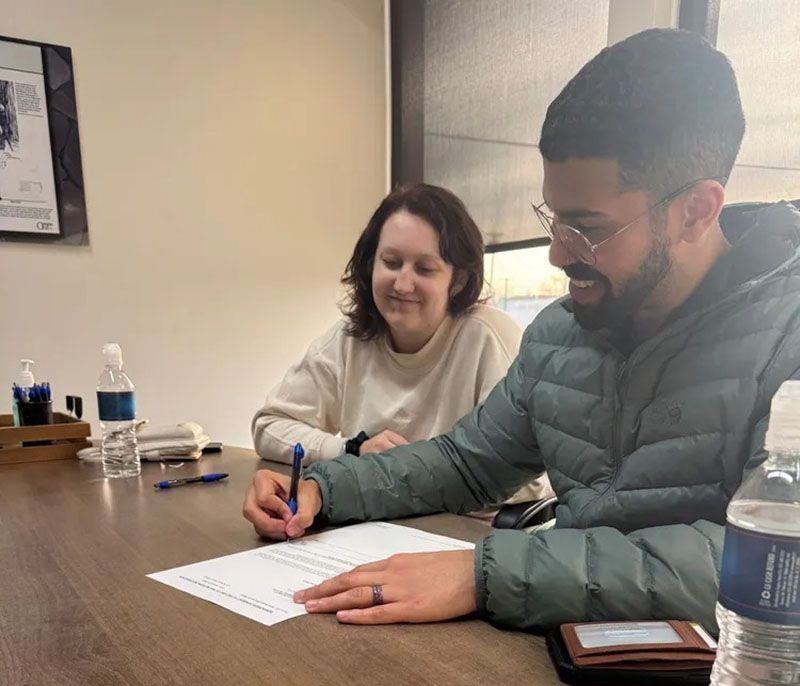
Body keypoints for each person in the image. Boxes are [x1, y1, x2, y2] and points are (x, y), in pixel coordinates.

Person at [243, 29, 800, 635]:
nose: (558, 255)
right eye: (554, 218)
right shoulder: (563, 331)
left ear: (696, 211)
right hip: (569, 651)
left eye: (586, 226)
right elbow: (465, 463)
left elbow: (768, 562)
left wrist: (483, 572)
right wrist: (326, 488)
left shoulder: (784, 337)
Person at [251, 184, 530, 469]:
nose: (402, 284)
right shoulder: (348, 339)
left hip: (459, 514)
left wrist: (415, 473)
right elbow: (269, 426)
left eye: (424, 269)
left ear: (457, 280)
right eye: (391, 262)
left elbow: (527, 473)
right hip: (368, 514)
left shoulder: (489, 338)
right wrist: (351, 449)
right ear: (372, 264)